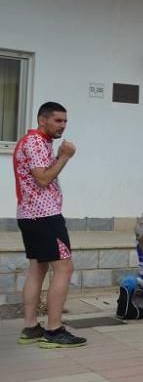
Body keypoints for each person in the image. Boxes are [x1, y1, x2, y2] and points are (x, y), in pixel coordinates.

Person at [13, 102, 86, 348]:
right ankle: (54, 330)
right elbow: (43, 178)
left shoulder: (40, 142)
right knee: (64, 267)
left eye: (65, 121)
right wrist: (64, 157)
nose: (63, 126)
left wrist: (57, 155)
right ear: (42, 120)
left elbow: (41, 174)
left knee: (38, 268)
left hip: (31, 215)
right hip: (44, 216)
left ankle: (31, 327)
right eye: (57, 120)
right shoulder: (34, 142)